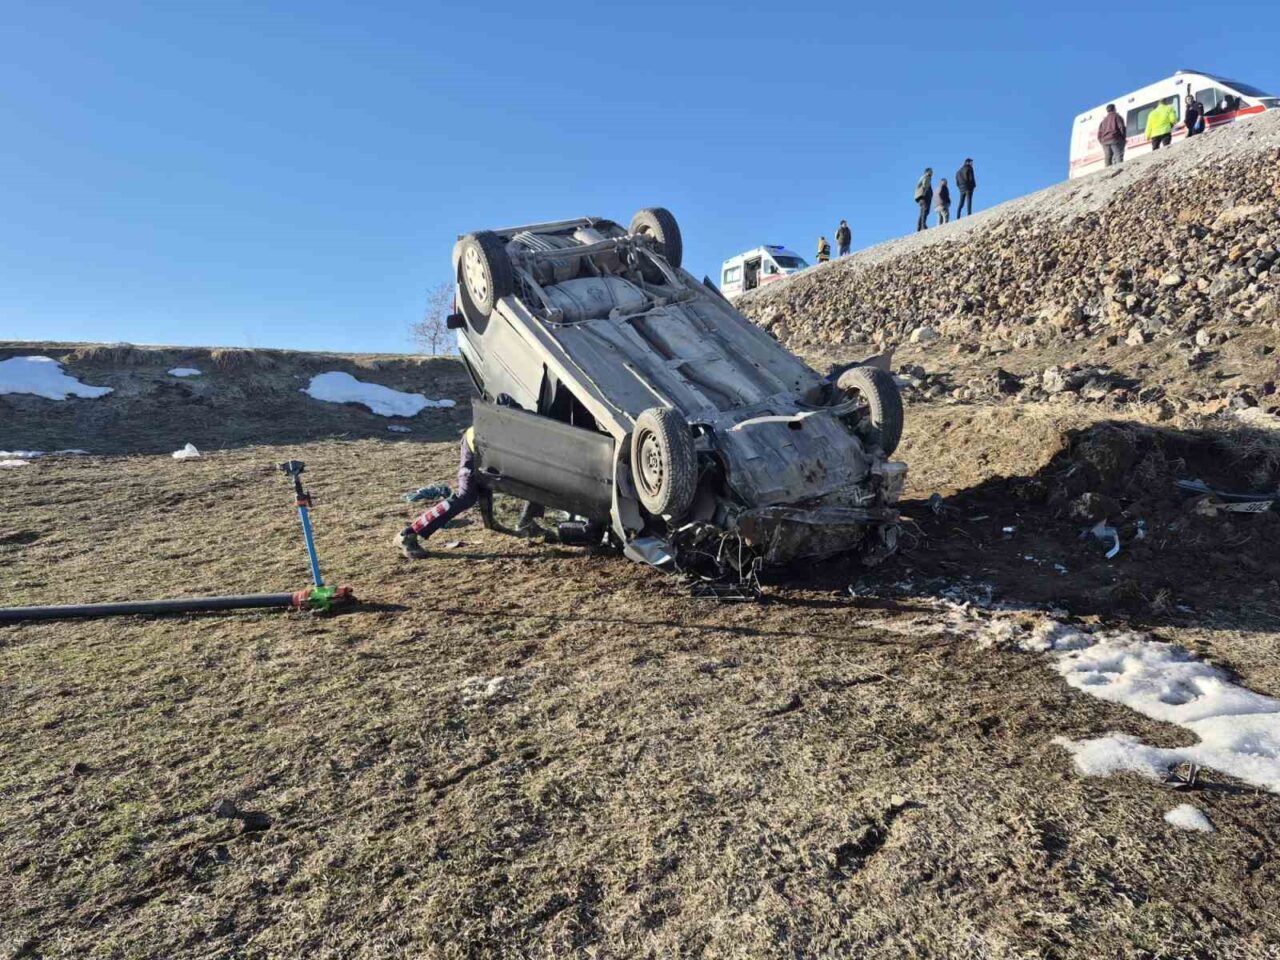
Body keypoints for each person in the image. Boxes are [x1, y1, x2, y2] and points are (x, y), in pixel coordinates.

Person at [394, 426, 483, 558]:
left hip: (508, 449)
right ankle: (408, 534)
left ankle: (523, 526)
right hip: (479, 444)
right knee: (466, 497)